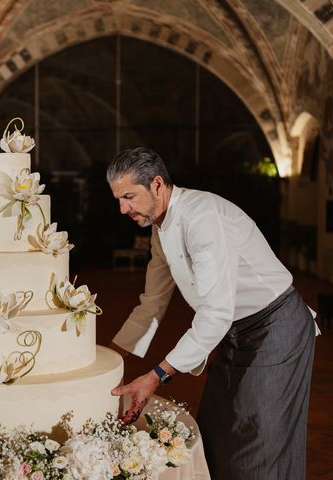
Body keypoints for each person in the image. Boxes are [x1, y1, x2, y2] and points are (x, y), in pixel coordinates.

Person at [107, 147, 318, 480]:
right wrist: (111, 360)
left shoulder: (201, 217)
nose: (122, 208)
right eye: (118, 199)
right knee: (218, 433)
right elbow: (153, 301)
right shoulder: (160, 228)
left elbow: (216, 312)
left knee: (257, 445)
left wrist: (156, 375)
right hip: (234, 331)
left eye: (129, 197)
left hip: (275, 326)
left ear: (158, 185)